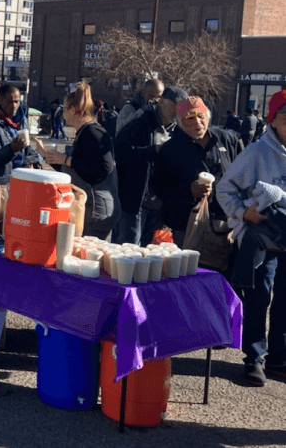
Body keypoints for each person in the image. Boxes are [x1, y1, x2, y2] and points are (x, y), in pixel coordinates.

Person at [217, 90, 286, 387]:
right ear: (273, 120)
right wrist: (245, 214)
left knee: (284, 302)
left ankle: (278, 359)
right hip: (263, 239)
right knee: (259, 299)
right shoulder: (257, 152)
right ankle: (253, 359)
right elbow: (224, 189)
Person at [149, 95, 240, 247]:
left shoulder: (228, 140)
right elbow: (159, 188)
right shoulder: (170, 149)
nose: (197, 122)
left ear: (208, 117)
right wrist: (188, 191)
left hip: (224, 223)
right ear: (179, 122)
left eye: (200, 116)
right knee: (189, 270)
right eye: (190, 118)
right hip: (185, 226)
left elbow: (243, 176)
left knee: (223, 269)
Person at [44, 82, 120, 238]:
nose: (63, 113)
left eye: (64, 109)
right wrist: (55, 159)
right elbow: (80, 168)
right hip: (94, 206)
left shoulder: (92, 132)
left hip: (98, 209)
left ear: (72, 110)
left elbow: (103, 168)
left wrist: (66, 160)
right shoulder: (85, 132)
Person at [113, 87, 183, 245]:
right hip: (135, 202)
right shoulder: (140, 124)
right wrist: (153, 151)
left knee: (146, 257)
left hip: (159, 206)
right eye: (175, 105)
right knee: (128, 252)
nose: (178, 111)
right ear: (163, 102)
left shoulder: (178, 132)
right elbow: (119, 154)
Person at [0, 84, 41, 182]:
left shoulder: (22, 119)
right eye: (9, 102)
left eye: (16, 102)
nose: (13, 106)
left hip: (18, 176)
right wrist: (11, 149)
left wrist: (35, 158)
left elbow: (26, 148)